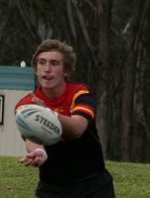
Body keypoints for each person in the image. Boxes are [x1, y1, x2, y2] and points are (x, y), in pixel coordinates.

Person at [15, 39, 115, 198]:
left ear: (66, 70)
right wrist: (39, 152)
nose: (47, 69)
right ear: (35, 69)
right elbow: (32, 137)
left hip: (94, 184)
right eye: (42, 63)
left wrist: (48, 113)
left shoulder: (80, 93)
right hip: (53, 187)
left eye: (54, 63)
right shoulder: (26, 106)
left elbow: (77, 129)